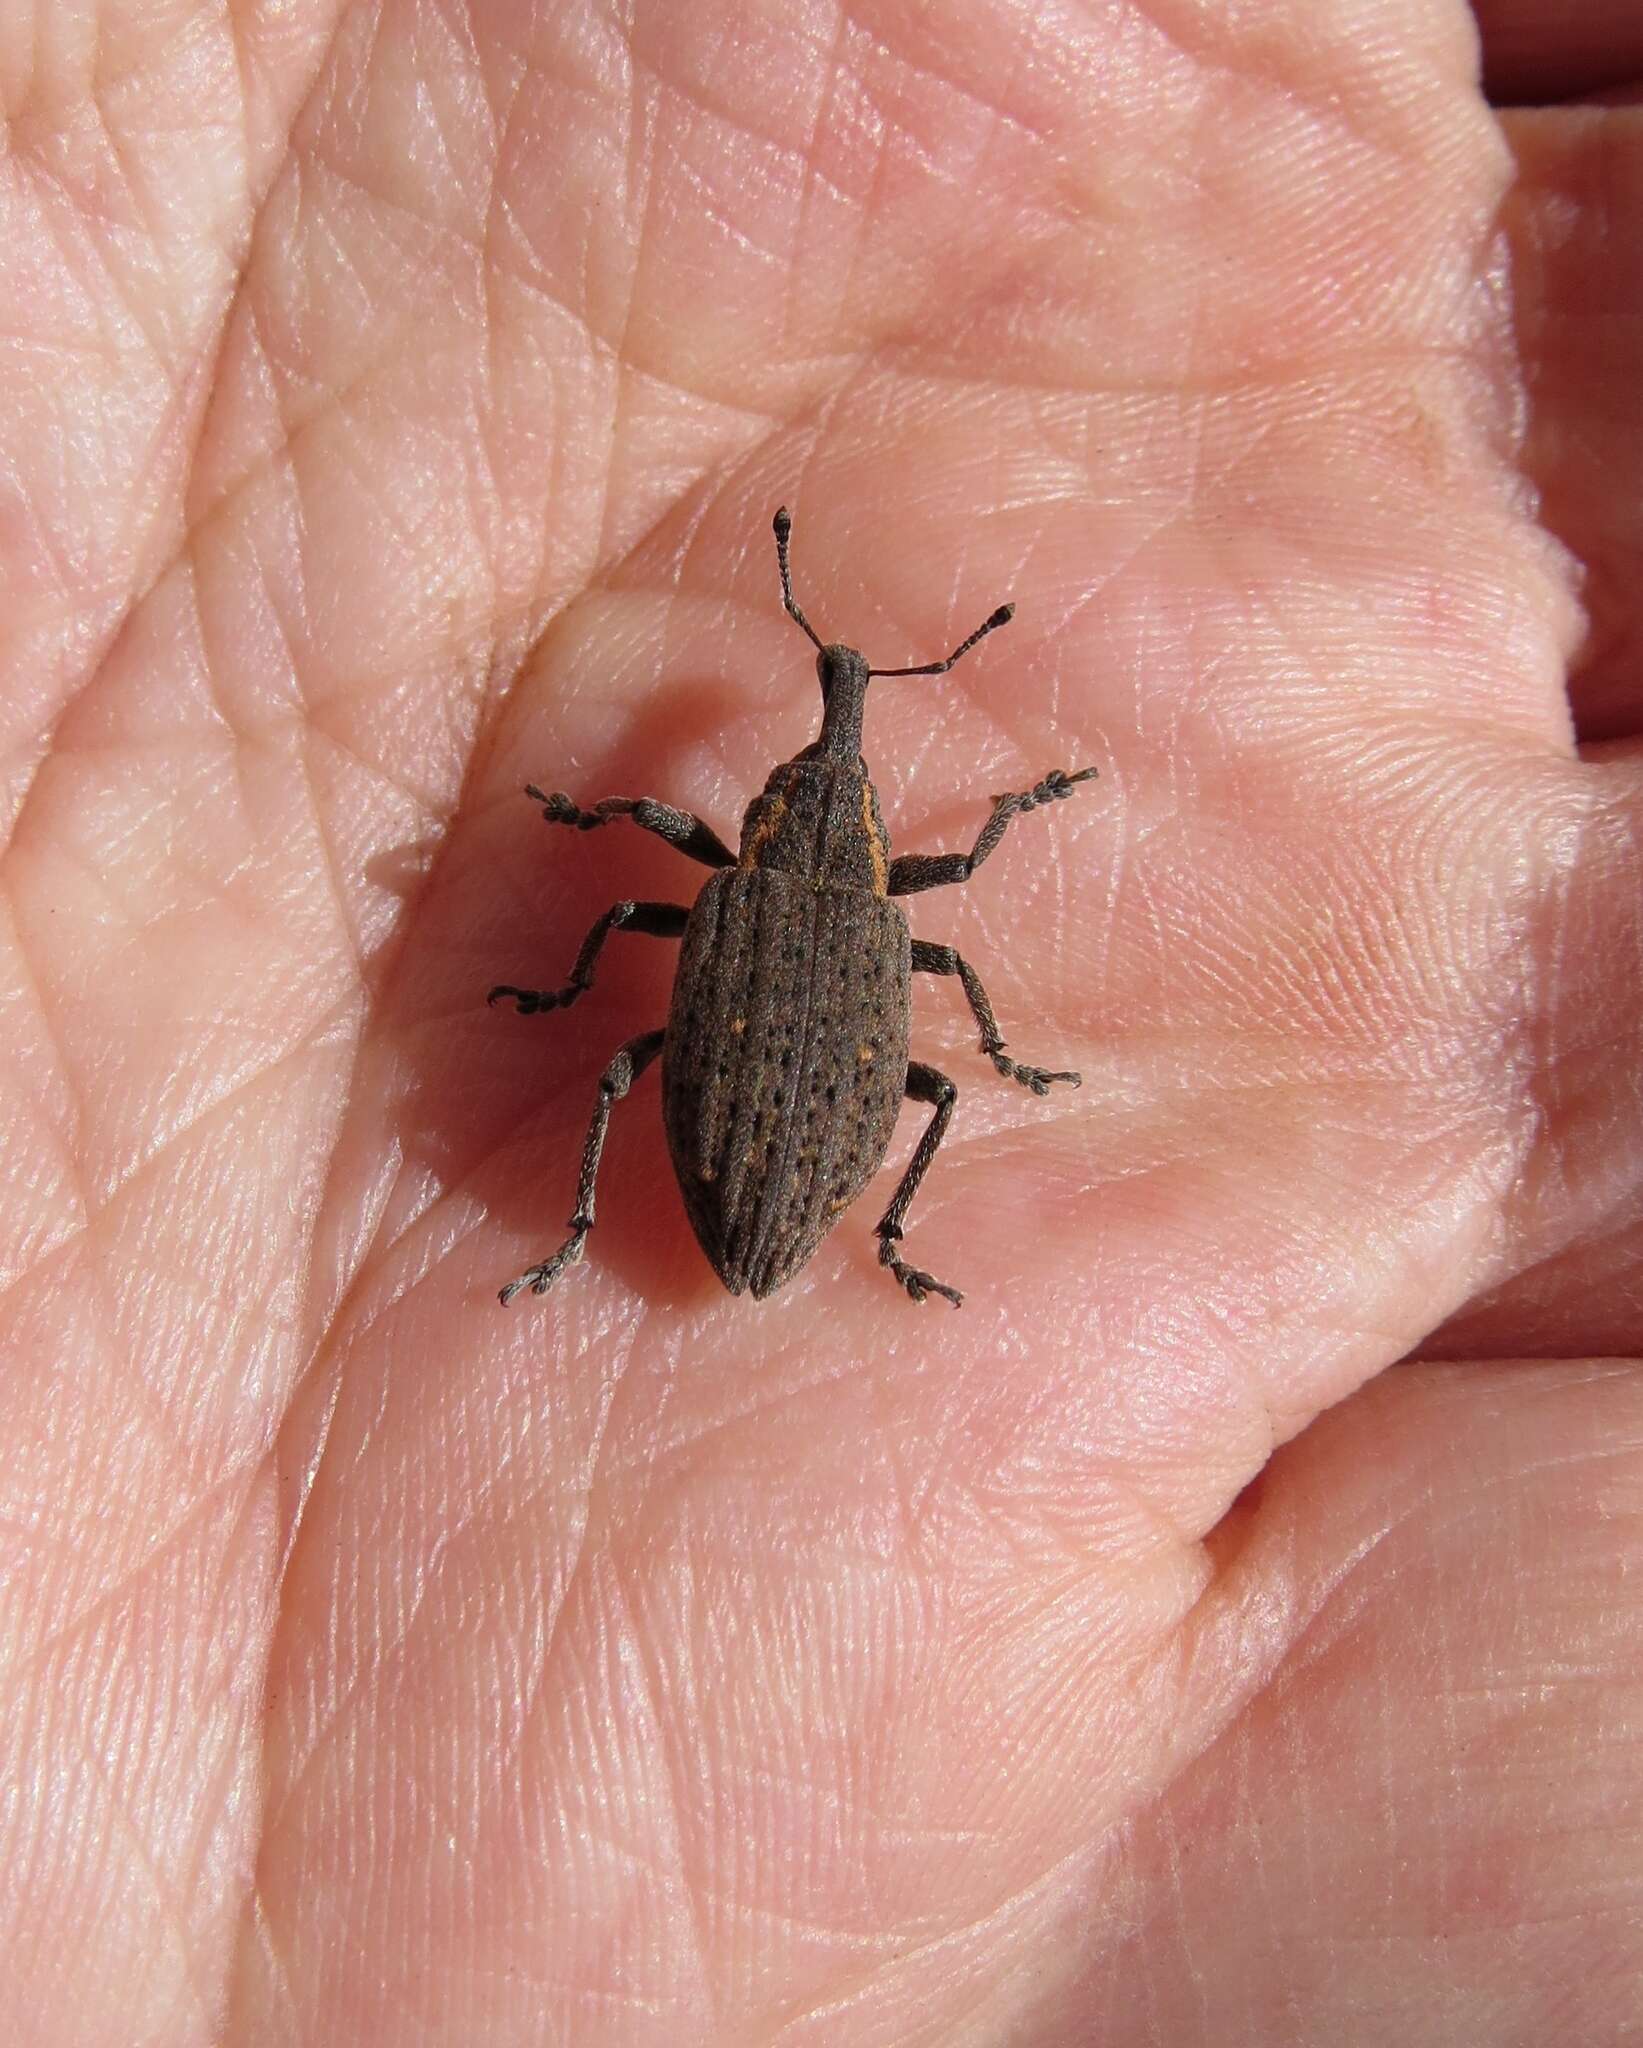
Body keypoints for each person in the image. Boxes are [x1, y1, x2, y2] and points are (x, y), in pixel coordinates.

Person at [0, 2, 1636, 2039]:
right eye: (825, 745)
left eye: (834, 753)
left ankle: (719, 1216)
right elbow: (751, 886)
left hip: (747, 1123)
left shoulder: (788, 888)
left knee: (638, 1043)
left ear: (798, 822)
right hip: (783, 1117)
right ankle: (853, 1217)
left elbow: (664, 861)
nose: (835, 739)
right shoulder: (852, 905)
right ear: (807, 816)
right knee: (849, 1044)